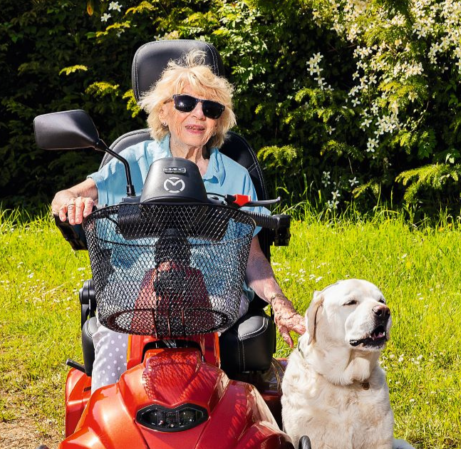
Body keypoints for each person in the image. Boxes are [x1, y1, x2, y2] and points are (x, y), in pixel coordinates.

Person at [50, 50, 305, 389]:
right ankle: (105, 425)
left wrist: (280, 303)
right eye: (186, 103)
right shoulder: (132, 161)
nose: (199, 114)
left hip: (215, 294)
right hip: (136, 290)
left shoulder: (235, 176)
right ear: (165, 110)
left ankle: (213, 425)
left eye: (211, 109)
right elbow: (70, 195)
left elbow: (252, 257)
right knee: (114, 339)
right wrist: (69, 202)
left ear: (218, 121)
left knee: (205, 361)